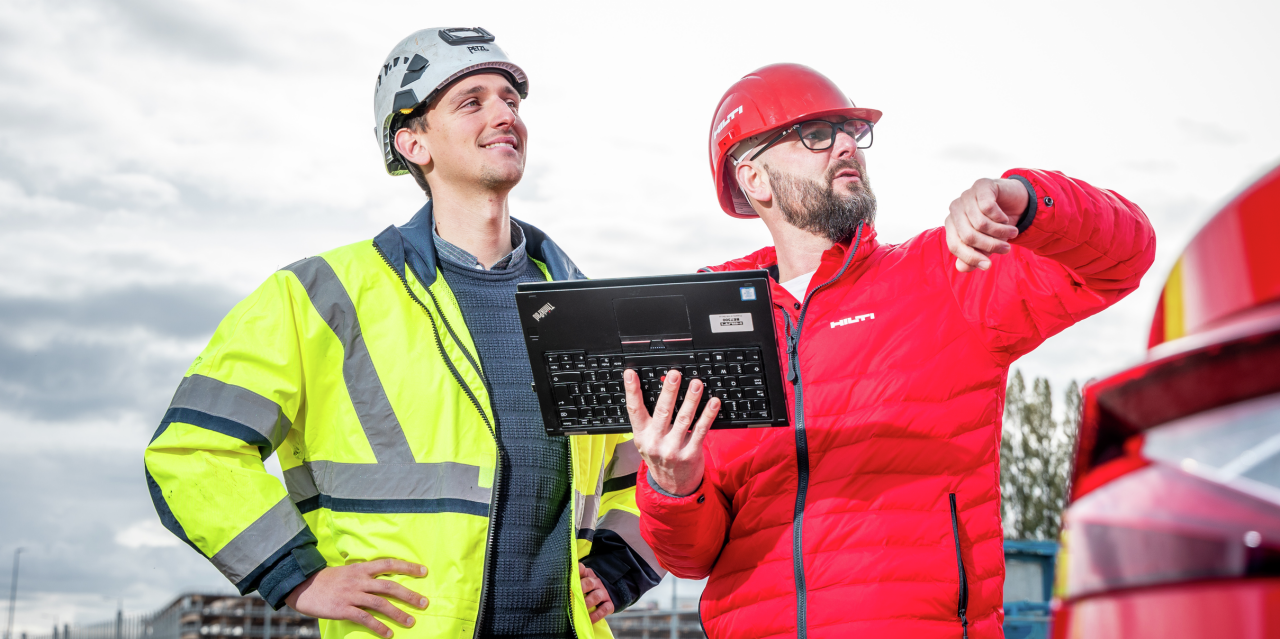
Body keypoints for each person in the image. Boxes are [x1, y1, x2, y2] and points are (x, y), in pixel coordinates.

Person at [144, 27, 661, 639]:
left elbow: (647, 466)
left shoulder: (585, 308)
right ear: (412, 141)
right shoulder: (319, 295)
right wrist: (298, 576)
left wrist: (620, 564)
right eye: (472, 102)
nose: (504, 115)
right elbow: (192, 451)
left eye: (511, 101)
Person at [625, 64, 1156, 638]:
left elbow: (1124, 257)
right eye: (817, 134)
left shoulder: (948, 274)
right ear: (754, 179)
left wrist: (1023, 200)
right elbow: (691, 558)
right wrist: (673, 481)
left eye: (851, 131)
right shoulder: (706, 332)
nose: (848, 144)